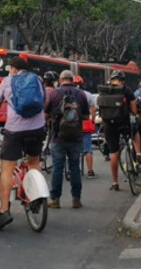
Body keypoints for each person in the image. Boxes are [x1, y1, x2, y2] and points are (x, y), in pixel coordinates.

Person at [0, 56, 47, 230]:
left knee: (7, 169)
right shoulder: (38, 80)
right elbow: (43, 103)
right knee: (34, 162)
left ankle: (3, 212)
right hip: (37, 128)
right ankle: (36, 198)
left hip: (15, 130)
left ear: (14, 69)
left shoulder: (7, 81)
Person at [44, 70, 90, 209]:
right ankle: (76, 199)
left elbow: (45, 115)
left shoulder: (54, 94)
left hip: (58, 137)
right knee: (75, 167)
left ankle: (55, 199)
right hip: (76, 136)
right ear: (72, 79)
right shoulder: (81, 94)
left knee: (58, 168)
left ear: (60, 79)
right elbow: (87, 117)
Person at [96, 70, 138, 191]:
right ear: (123, 80)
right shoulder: (126, 90)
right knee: (135, 133)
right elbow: (134, 108)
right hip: (124, 123)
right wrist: (135, 114)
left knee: (113, 153)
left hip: (109, 125)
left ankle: (115, 182)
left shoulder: (104, 90)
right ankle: (139, 153)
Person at [76, 75, 99, 178]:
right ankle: (90, 171)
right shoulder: (88, 94)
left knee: (73, 148)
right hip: (85, 123)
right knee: (88, 148)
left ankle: (73, 169)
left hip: (71, 125)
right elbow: (93, 109)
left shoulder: (68, 93)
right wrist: (92, 120)